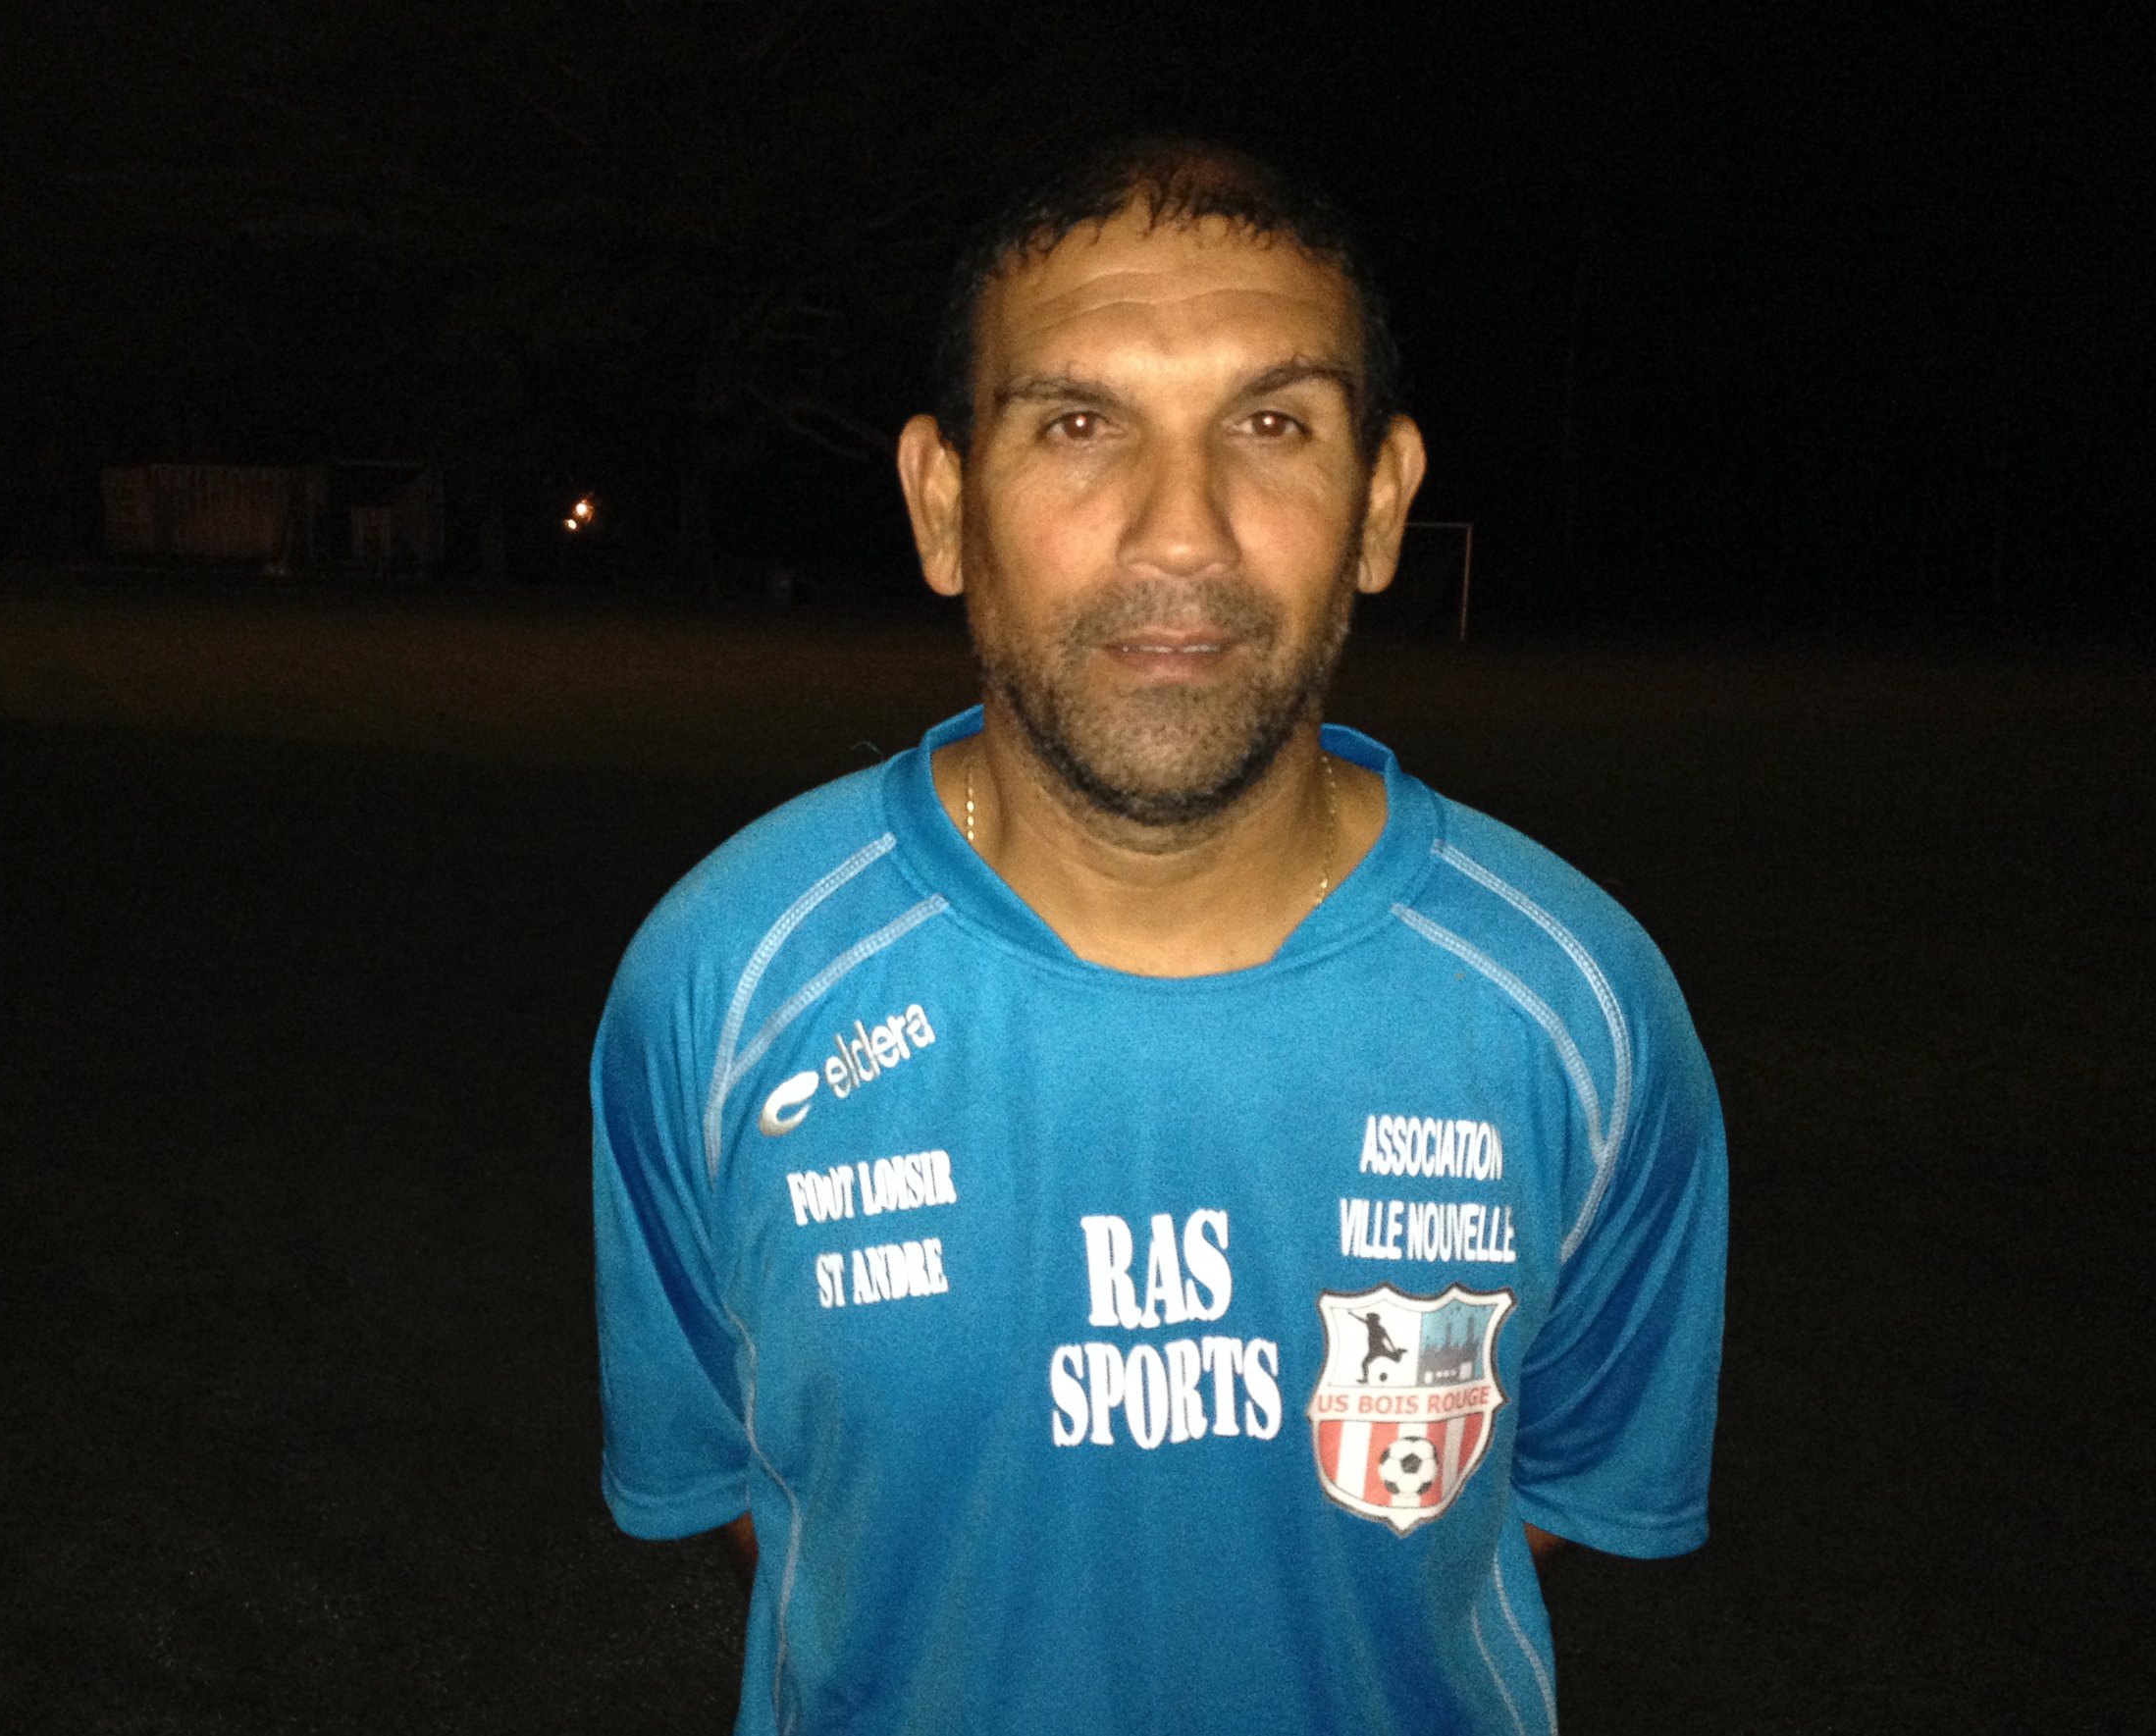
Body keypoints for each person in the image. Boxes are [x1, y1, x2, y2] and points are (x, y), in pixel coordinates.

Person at [592, 137, 1726, 1734]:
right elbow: (743, 1480)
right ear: (943, 505)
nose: (1179, 531)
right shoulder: (722, 988)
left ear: (1383, 502)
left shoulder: (1582, 1011)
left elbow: (1541, 1496)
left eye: (1272, 424)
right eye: (1076, 422)